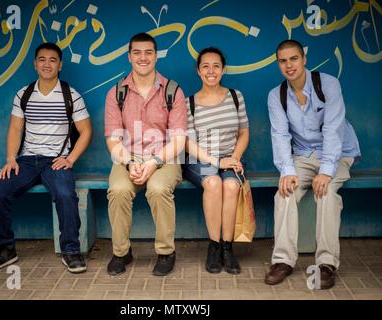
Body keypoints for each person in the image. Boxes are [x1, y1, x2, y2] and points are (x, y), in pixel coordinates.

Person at [0, 43, 92, 274]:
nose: (47, 64)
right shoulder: (24, 94)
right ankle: (4, 250)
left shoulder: (71, 95)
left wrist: (70, 159)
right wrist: (11, 158)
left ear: (60, 65)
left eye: (52, 60)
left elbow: (86, 131)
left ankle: (71, 251)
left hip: (56, 160)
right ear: (35, 64)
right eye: (42, 59)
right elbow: (15, 129)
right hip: (27, 160)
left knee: (65, 195)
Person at [264, 39, 361, 289]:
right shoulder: (277, 95)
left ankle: (326, 265)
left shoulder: (327, 84)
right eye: (283, 61)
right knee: (284, 193)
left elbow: (333, 129)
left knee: (326, 192)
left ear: (304, 59)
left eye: (293, 58)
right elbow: (280, 135)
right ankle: (283, 261)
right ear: (278, 64)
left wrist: (327, 171)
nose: (289, 65)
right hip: (304, 156)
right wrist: (286, 171)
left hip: (338, 153)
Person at [104, 33, 187, 276]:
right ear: (129, 56)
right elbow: (113, 139)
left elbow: (178, 139)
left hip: (165, 157)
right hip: (127, 157)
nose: (143, 57)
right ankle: (121, 252)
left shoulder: (172, 91)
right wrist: (130, 163)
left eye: (148, 52)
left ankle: (165, 252)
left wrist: (153, 162)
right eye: (137, 52)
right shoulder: (116, 93)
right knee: (118, 190)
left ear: (156, 56)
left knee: (158, 189)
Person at [184, 47, 250, 274]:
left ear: (223, 70)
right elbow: (188, 144)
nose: (211, 71)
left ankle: (227, 248)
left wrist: (234, 158)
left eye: (216, 66)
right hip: (200, 160)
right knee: (213, 183)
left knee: (231, 185)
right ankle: (213, 246)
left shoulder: (235, 96)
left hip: (231, 158)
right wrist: (216, 161)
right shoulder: (189, 102)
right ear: (198, 71)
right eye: (205, 66)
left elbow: (244, 133)